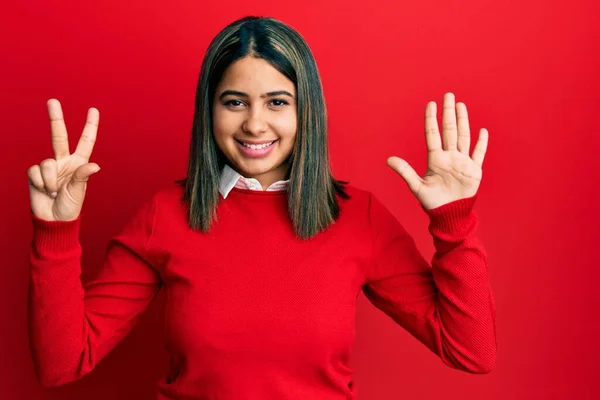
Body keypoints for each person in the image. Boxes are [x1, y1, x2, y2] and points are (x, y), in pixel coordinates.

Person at [27, 15, 496, 400]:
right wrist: (56, 230)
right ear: (209, 110)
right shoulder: (166, 214)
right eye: (234, 102)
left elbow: (471, 351)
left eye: (277, 102)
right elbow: (62, 364)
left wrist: (453, 221)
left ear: (304, 111)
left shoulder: (358, 218)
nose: (255, 123)